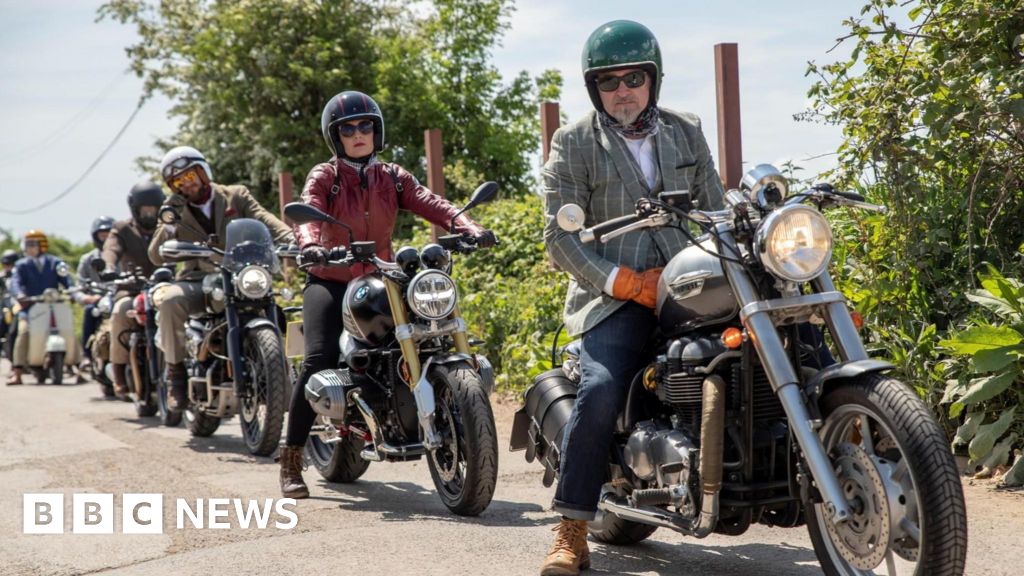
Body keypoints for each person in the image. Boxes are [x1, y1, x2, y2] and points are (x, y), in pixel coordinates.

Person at [540, 20, 726, 575]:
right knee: (598, 388)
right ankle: (572, 529)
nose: (623, 90)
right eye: (609, 81)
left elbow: (715, 209)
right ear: (594, 88)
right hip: (616, 295)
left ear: (654, 79)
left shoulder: (685, 129)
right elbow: (559, 240)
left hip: (692, 282)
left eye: (634, 77)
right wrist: (627, 283)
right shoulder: (573, 141)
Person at [277, 90, 496, 499]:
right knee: (318, 357)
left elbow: (432, 202)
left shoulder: (393, 176)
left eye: (365, 126)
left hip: (382, 278)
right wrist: (310, 243)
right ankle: (290, 460)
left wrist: (469, 226)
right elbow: (308, 208)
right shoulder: (325, 176)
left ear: (376, 132)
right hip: (331, 277)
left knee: (427, 331)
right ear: (335, 136)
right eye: (348, 128)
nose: (357, 133)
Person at [148, 146, 293, 411]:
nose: (187, 184)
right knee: (169, 301)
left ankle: (280, 373)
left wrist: (294, 240)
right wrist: (169, 226)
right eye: (179, 181)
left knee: (276, 304)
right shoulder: (171, 209)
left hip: (240, 274)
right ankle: (175, 376)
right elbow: (156, 256)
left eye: (191, 175)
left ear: (204, 172)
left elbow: (265, 219)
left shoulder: (235, 196)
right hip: (197, 281)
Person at [100, 181, 164, 400]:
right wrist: (109, 267)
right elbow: (111, 249)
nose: (149, 214)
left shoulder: (167, 227)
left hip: (162, 288)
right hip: (130, 288)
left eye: (153, 209)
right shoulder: (122, 228)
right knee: (120, 311)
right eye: (145, 209)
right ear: (135, 209)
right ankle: (118, 372)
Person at [6, 231, 74, 385]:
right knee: (23, 332)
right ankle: (17, 372)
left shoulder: (55, 262)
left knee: (68, 328)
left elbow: (67, 280)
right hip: (30, 307)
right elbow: (15, 283)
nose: (29, 248)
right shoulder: (21, 265)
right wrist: (20, 294)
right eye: (27, 244)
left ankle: (75, 365)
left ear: (41, 245)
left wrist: (73, 292)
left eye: (32, 244)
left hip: (53, 305)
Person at [76, 217, 113, 374]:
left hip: (117, 296)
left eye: (109, 235)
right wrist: (86, 298)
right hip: (98, 301)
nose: (105, 239)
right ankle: (85, 355)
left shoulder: (122, 254)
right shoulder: (87, 259)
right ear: (95, 236)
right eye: (102, 235)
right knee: (90, 311)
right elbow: (78, 287)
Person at [1, 249, 21, 362]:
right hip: (5, 307)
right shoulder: (1, 277)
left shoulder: (20, 275)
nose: (8, 266)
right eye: (5, 264)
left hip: (17, 306)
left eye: (11, 264)